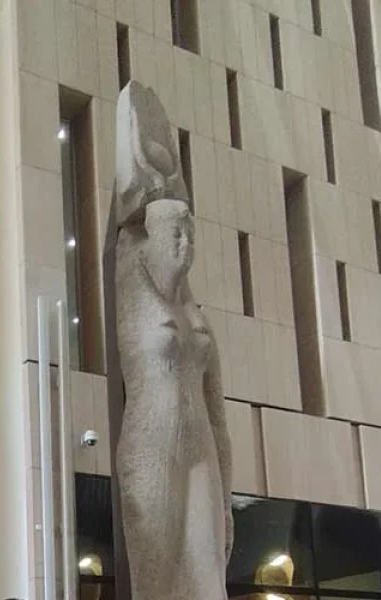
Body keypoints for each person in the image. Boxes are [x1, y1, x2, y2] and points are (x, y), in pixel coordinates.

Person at [113, 81, 233, 600]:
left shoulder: (194, 311)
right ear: (151, 239)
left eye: (190, 234)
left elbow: (219, 414)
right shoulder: (132, 280)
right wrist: (146, 180)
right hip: (152, 443)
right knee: (156, 583)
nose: (185, 244)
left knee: (210, 579)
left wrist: (228, 494)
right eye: (174, 234)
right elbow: (129, 225)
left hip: (201, 447)